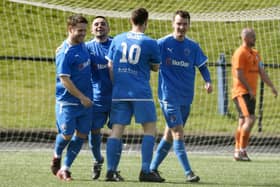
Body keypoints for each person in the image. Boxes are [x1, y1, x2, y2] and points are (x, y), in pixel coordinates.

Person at [149, 10, 213, 183]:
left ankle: (151, 169)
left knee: (169, 135)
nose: (181, 27)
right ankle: (188, 173)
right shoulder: (162, 43)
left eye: (184, 24)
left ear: (189, 25)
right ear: (173, 24)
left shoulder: (193, 46)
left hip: (186, 98)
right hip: (168, 97)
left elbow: (203, 66)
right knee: (178, 133)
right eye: (178, 23)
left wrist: (208, 81)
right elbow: (147, 57)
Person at [104, 8, 164, 182]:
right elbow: (156, 67)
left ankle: (110, 170)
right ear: (146, 22)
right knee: (150, 129)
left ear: (131, 20)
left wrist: (117, 84)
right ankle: (145, 170)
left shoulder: (117, 39)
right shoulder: (150, 42)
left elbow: (110, 65)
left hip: (120, 91)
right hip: (141, 92)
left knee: (116, 130)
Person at [50, 14, 93, 181]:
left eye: (85, 30)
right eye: (80, 30)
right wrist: (82, 97)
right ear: (70, 29)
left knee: (82, 134)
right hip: (68, 102)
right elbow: (64, 79)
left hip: (86, 101)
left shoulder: (84, 46)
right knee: (67, 134)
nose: (83, 33)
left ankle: (65, 169)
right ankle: (56, 155)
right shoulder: (65, 52)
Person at [231, 28, 278, 161]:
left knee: (242, 122)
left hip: (250, 93)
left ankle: (237, 151)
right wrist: (249, 89)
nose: (255, 39)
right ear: (246, 38)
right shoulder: (239, 53)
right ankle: (242, 150)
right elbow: (238, 74)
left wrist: (272, 87)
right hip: (241, 92)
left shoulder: (256, 54)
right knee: (250, 119)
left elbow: (262, 72)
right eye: (253, 37)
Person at [85, 16, 112, 180]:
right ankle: (97, 160)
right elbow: (71, 48)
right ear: (91, 29)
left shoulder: (116, 44)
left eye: (103, 24)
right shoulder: (86, 47)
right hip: (97, 98)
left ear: (108, 28)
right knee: (94, 131)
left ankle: (113, 169)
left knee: (116, 133)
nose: (99, 26)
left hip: (117, 98)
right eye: (96, 24)